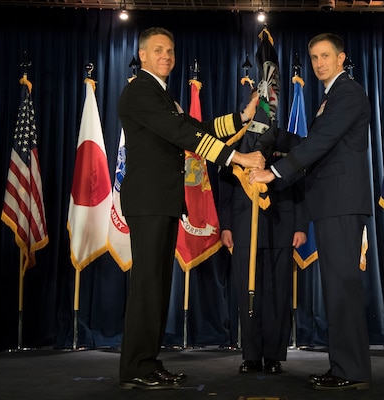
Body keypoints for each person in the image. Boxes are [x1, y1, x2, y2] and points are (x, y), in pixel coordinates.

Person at [117, 26, 264, 390]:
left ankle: (147, 362)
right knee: (147, 288)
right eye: (158, 50)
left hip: (162, 201)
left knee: (158, 288)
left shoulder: (162, 95)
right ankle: (136, 366)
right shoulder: (140, 91)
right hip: (149, 201)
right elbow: (184, 135)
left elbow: (196, 126)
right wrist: (238, 158)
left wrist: (240, 119)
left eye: (170, 50)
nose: (166, 56)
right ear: (144, 56)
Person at [249, 32, 372, 391]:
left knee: (343, 289)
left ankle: (351, 371)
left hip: (342, 203)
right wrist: (278, 136)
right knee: (337, 289)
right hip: (333, 203)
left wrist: (272, 172)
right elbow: (312, 143)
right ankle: (344, 367)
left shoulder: (347, 92)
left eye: (324, 56)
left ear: (341, 57)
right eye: (314, 57)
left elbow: (320, 143)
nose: (318, 63)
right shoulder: (331, 96)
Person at [218, 128, 307, 376]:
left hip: (282, 225)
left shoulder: (286, 140)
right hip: (244, 227)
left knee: (278, 295)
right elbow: (225, 189)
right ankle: (251, 356)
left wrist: (300, 225)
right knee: (249, 295)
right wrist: (226, 226)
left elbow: (299, 182)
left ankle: (274, 356)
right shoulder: (238, 140)